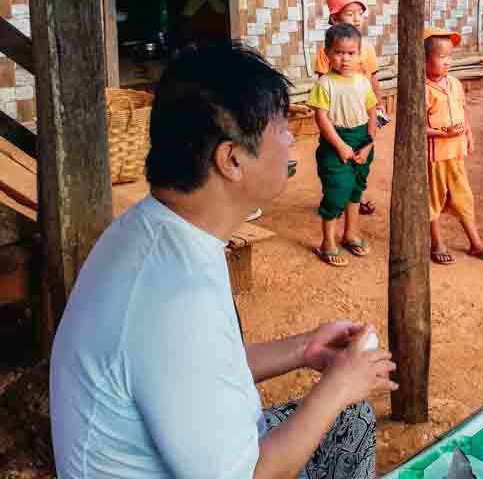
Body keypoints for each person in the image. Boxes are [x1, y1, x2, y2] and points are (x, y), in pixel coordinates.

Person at [50, 42, 397, 478]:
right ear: (231, 159)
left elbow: (201, 368)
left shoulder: (159, 231)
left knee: (350, 421)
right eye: (282, 129)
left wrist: (303, 351)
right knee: (340, 412)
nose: (291, 140)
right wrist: (336, 387)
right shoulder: (173, 300)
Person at [425, 26, 483, 266]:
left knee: (463, 197)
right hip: (434, 156)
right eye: (441, 57)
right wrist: (439, 133)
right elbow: (414, 127)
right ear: (424, 59)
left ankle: (475, 242)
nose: (447, 61)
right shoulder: (421, 89)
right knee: (433, 199)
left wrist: (467, 133)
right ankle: (436, 242)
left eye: (450, 56)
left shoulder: (455, 84)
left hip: (455, 153)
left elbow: (462, 111)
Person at [309, 23, 380, 266]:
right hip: (334, 143)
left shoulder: (362, 82)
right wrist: (339, 145)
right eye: (339, 52)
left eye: (351, 53)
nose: (345, 59)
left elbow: (372, 112)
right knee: (336, 191)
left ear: (359, 55)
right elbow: (321, 118)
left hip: (362, 141)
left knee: (356, 189)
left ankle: (351, 233)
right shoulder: (324, 84)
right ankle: (327, 241)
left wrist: (369, 143)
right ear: (327, 53)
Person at [316, 0, 386, 216]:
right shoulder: (326, 51)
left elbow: (373, 77)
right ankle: (337, 198)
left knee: (362, 156)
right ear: (335, 18)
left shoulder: (366, 49)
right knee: (337, 159)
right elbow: (325, 84)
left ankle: (355, 197)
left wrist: (380, 102)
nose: (356, 18)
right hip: (339, 114)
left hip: (363, 108)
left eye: (359, 13)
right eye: (349, 13)